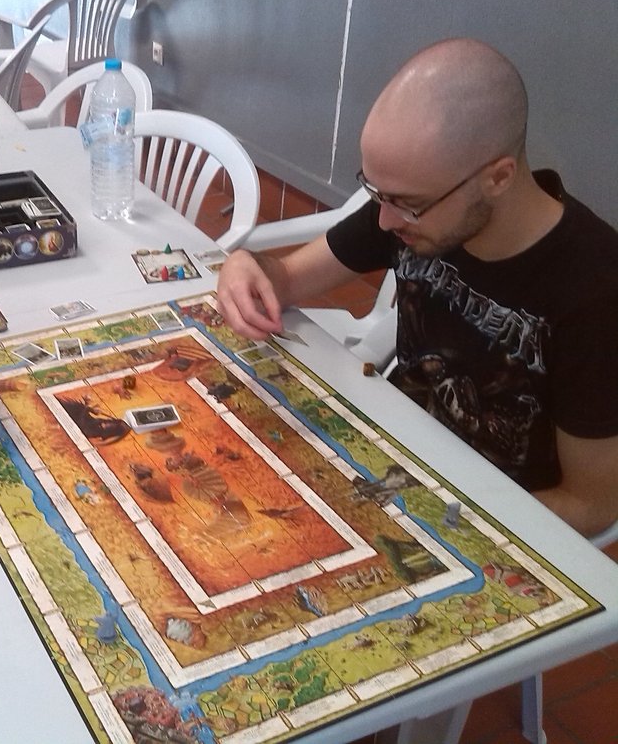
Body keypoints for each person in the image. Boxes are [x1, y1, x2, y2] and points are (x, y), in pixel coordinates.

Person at [217, 38, 618, 537]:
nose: (385, 221)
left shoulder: (596, 293)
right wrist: (245, 265)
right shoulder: (409, 207)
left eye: (407, 204)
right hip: (387, 458)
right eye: (376, 193)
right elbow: (288, 278)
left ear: (498, 178)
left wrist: (442, 521)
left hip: (484, 519)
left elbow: (591, 505)